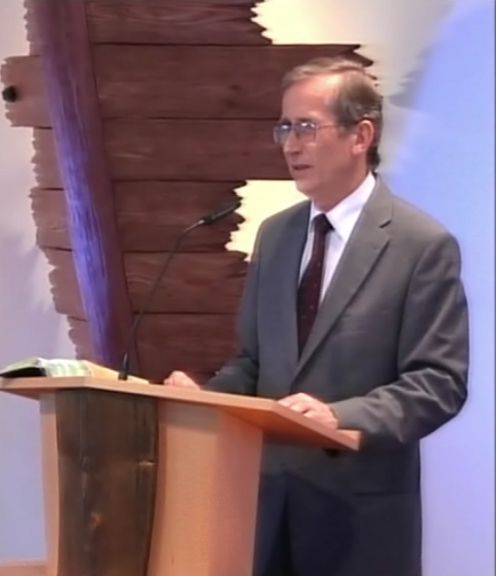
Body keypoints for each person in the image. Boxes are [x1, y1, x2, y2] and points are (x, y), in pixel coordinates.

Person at [164, 57, 469, 576]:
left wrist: (340, 416)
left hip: (360, 525)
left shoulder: (421, 245)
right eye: (284, 127)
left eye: (306, 127)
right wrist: (206, 401)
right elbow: (253, 363)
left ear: (361, 136)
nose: (290, 145)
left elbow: (438, 383)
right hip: (265, 514)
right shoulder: (275, 235)